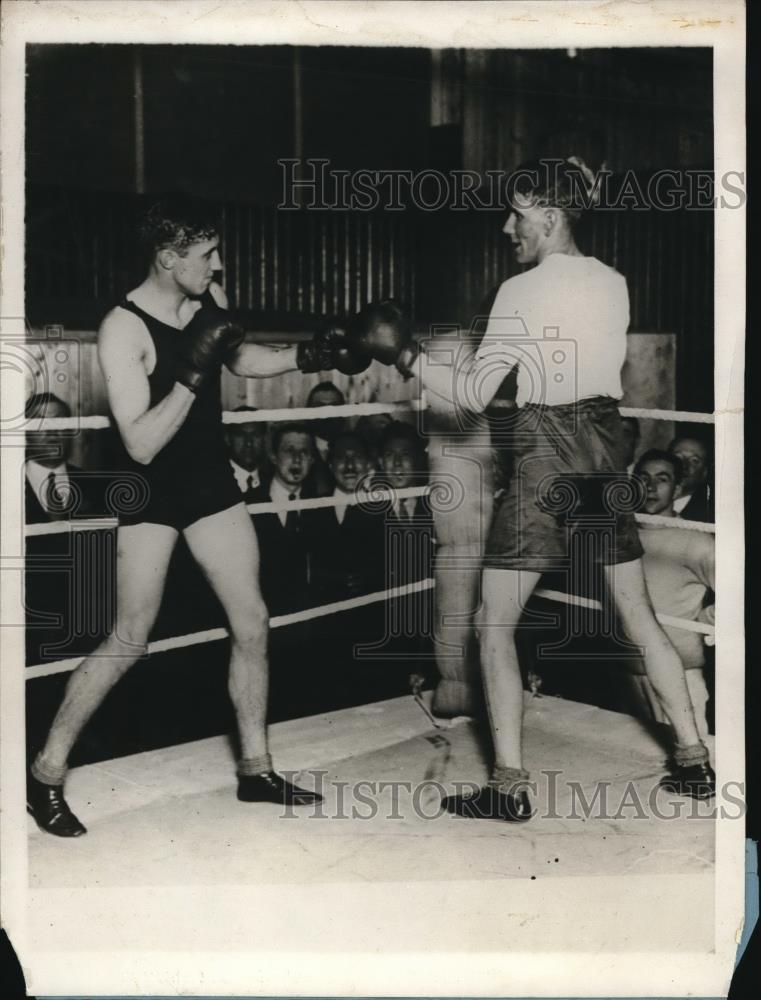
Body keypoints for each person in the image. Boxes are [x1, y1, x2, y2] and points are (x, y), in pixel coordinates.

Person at [345, 158, 715, 818]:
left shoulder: (521, 291)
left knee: (492, 623)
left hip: (547, 448)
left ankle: (507, 788)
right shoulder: (614, 282)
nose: (504, 226)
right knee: (635, 611)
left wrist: (403, 358)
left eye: (516, 213)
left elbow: (472, 397)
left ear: (548, 216)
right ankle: (693, 760)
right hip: (605, 443)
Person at [27, 194, 369, 837]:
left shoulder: (203, 304)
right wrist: (188, 371)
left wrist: (321, 353)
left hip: (209, 483)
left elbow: (243, 359)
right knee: (130, 637)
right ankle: (44, 774)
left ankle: (255, 769)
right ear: (168, 258)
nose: (219, 265)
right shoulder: (122, 327)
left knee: (253, 620)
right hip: (152, 492)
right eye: (207, 255)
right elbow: (141, 444)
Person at [627, 450, 714, 736]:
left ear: (677, 489)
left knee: (689, 761)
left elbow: (742, 593)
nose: (651, 487)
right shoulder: (617, 535)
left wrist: (709, 617)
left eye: (662, 480)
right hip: (627, 674)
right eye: (643, 478)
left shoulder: (696, 540)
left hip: (680, 675)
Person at [248, 423, 318, 615]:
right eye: (289, 450)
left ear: (312, 459)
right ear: (273, 457)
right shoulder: (249, 505)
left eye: (304, 452)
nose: (297, 459)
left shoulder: (321, 505)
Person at [309, 431, 385, 601]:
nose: (350, 466)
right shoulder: (313, 509)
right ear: (330, 465)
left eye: (357, 458)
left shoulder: (383, 509)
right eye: (341, 458)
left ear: (368, 464)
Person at [24, 392, 107, 523]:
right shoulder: (8, 486)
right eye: (40, 423)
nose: (52, 432)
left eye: (59, 422)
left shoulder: (96, 487)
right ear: (25, 433)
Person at [304, 380, 346, 495]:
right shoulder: (302, 449)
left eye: (334, 407)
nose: (327, 414)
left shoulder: (351, 448)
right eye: (320, 407)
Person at [224, 404, 268, 501]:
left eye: (255, 435)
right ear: (227, 438)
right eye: (240, 435)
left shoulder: (272, 481)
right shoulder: (217, 481)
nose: (248, 443)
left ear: (264, 439)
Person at [668, 434, 713, 522]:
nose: (684, 465)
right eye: (678, 457)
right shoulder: (642, 503)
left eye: (694, 461)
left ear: (704, 472)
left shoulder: (709, 515)